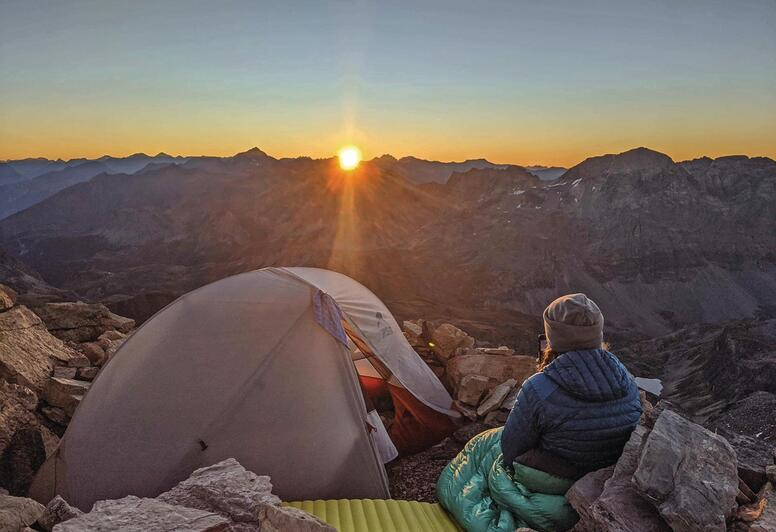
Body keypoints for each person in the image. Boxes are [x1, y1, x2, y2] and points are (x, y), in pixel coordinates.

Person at [501, 293, 642, 476]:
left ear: (553, 337)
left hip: (560, 478)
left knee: (484, 445)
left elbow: (510, 451)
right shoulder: (625, 376)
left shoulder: (538, 387)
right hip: (611, 473)